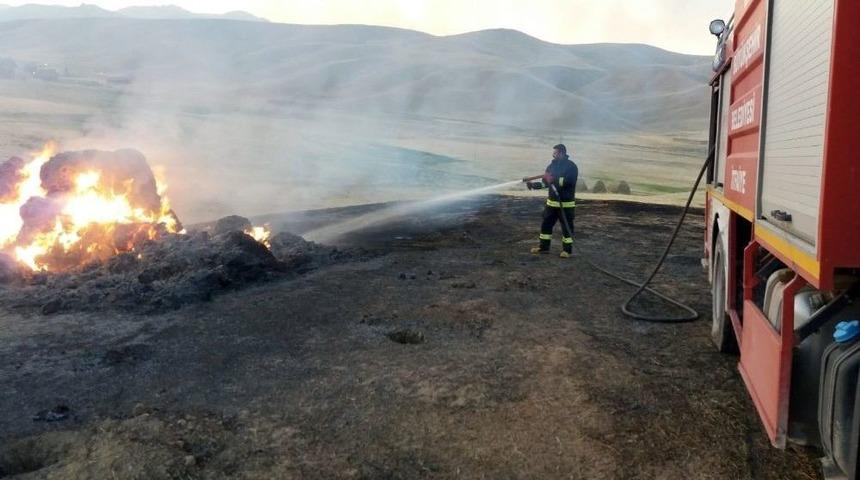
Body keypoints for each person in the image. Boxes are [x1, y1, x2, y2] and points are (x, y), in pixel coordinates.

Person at [525, 144, 578, 258]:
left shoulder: (571, 167)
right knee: (546, 226)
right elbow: (545, 183)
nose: (553, 154)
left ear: (562, 153)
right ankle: (543, 248)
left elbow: (569, 182)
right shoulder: (551, 166)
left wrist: (554, 179)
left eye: (555, 152)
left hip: (565, 205)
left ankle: (567, 251)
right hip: (551, 204)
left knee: (566, 228)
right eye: (553, 152)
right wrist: (534, 185)